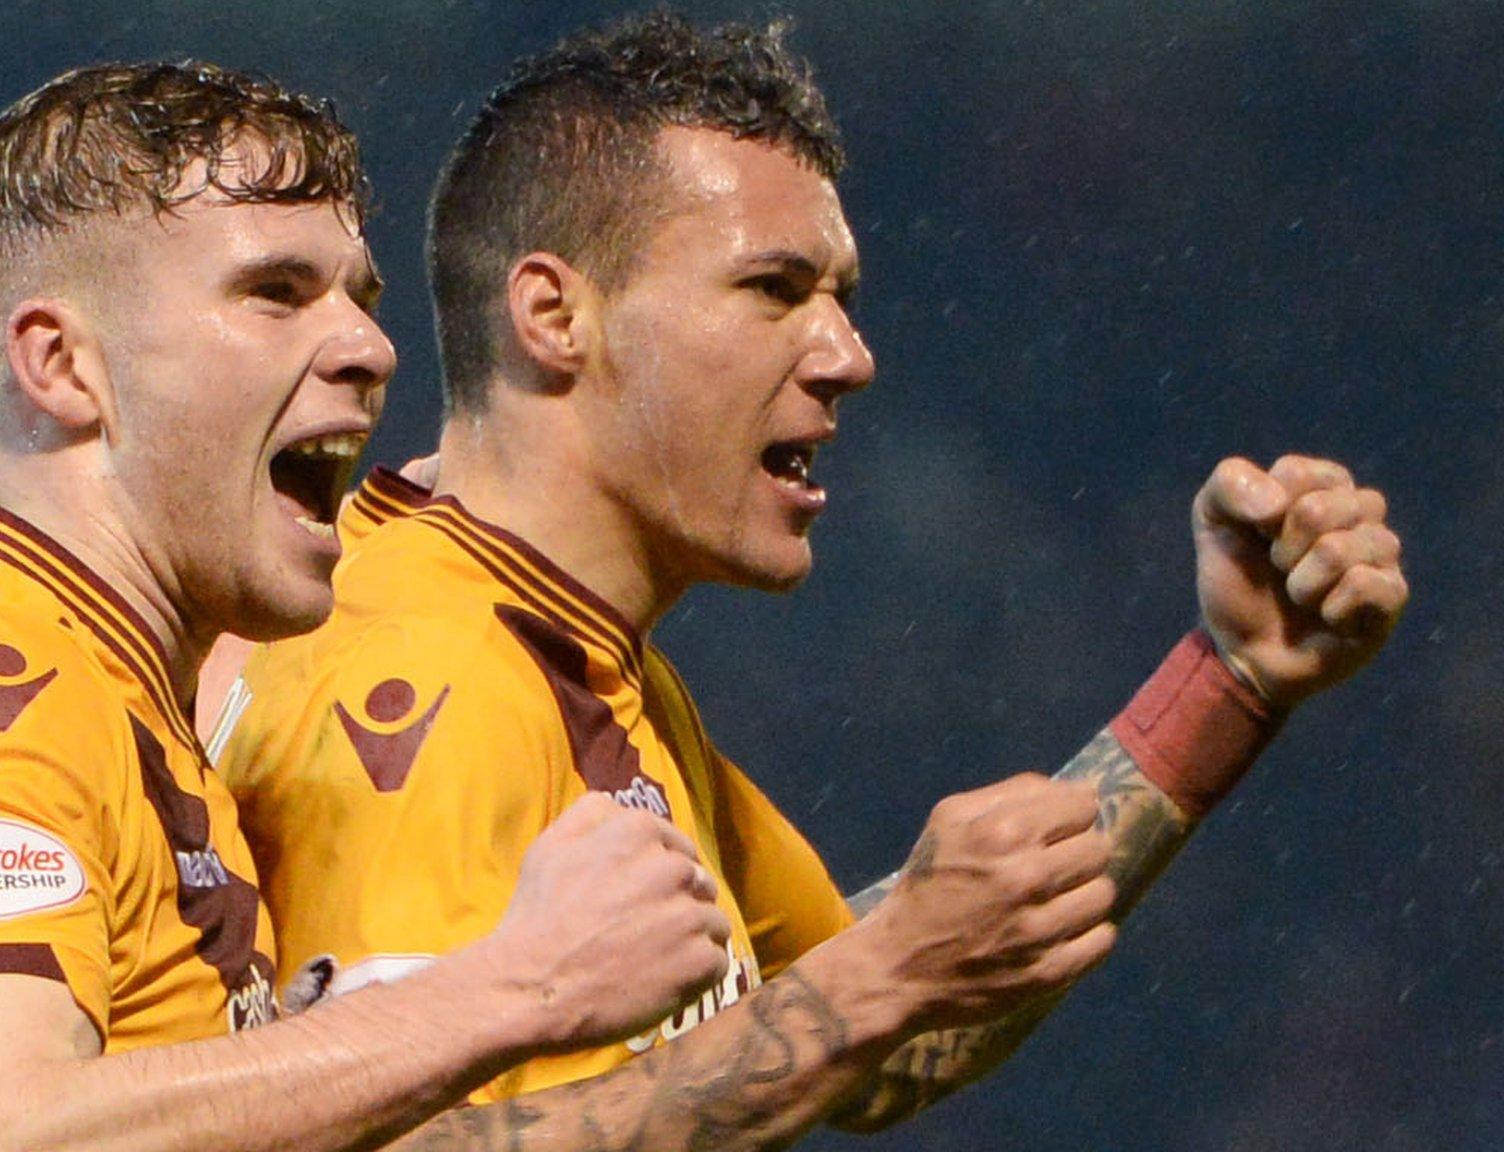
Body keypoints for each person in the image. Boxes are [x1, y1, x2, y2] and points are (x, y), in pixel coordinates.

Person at [207, 14, 1409, 1148]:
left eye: (839, 300)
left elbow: (881, 1033)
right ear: (552, 314)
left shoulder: (571, 657)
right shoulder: (417, 690)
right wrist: (885, 976)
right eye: (772, 290)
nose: (847, 357)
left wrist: (1228, 680)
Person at [0, 61, 736, 1152]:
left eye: (358, 298)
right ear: (63, 367)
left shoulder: (90, 689)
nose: (370, 348)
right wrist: (521, 988)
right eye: (274, 292)